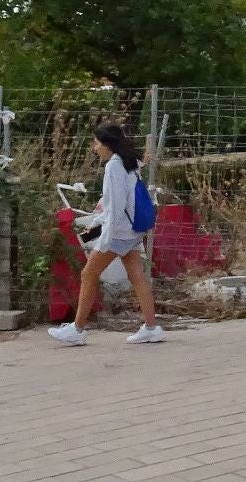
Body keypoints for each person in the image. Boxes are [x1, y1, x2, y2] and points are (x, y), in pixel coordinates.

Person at [49, 122, 165, 345]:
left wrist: (104, 239)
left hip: (119, 233)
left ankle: (78, 329)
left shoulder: (114, 165)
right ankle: (151, 327)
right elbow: (144, 162)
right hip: (132, 231)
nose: (95, 148)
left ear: (107, 145)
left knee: (88, 274)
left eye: (96, 143)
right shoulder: (128, 162)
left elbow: (115, 207)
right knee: (137, 277)